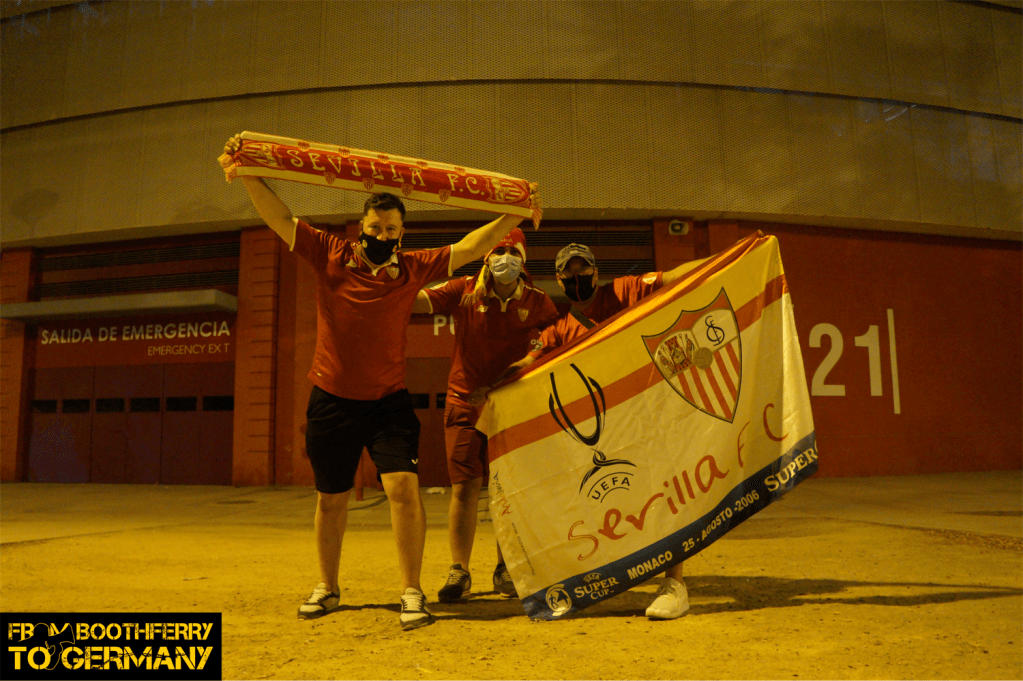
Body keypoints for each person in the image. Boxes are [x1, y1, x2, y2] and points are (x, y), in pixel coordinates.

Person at [222, 134, 539, 630]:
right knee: (331, 498)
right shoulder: (330, 253)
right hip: (330, 398)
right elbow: (282, 220)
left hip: (388, 402)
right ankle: (327, 587)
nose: (382, 234)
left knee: (404, 491)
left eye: (391, 228)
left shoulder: (412, 268)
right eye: (375, 226)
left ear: (401, 232)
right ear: (362, 227)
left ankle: (411, 592)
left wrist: (516, 213)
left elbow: (471, 246)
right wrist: (248, 176)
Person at [471, 242, 695, 620]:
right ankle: (603, 573)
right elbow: (529, 362)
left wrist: (733, 256)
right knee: (598, 502)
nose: (578, 279)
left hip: (640, 412)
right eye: (570, 274)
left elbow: (675, 277)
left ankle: (675, 584)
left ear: (596, 270)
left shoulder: (624, 292)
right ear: (559, 279)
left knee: (662, 490)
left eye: (584, 270)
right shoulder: (558, 327)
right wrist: (492, 388)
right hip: (597, 430)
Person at [411, 228, 558, 603]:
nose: (504, 257)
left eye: (512, 251)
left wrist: (523, 364)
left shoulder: (539, 303)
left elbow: (548, 345)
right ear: (486, 258)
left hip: (513, 407)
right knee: (464, 488)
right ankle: (459, 570)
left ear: (523, 259)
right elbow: (419, 302)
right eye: (498, 251)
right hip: (464, 402)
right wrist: (387, 287)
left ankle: (506, 567)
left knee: (507, 490)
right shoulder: (464, 290)